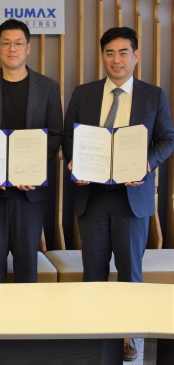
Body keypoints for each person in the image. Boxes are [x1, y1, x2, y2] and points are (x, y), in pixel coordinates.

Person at [63, 27, 174, 361]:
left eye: (124, 52)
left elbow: (167, 138)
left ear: (136, 56)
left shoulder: (153, 95)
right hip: (92, 197)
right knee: (93, 273)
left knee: (130, 274)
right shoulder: (84, 94)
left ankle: (130, 340)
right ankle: (93, 340)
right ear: (102, 57)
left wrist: (146, 164)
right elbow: (68, 137)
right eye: (110, 53)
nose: (117, 60)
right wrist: (74, 163)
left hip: (132, 199)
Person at [0, 19, 63, 283]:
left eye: (18, 43)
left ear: (28, 48)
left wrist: (34, 170)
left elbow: (55, 134)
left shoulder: (48, 88)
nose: (12, 48)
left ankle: (26, 311)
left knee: (27, 266)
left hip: (29, 192)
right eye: (6, 43)